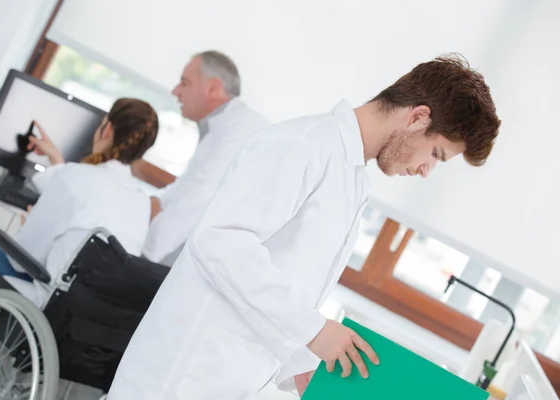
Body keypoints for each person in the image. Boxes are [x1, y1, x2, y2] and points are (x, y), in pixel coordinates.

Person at [107, 55, 501, 399]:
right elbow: (219, 240)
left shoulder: (351, 179)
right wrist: (313, 330)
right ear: (417, 118)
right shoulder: (305, 144)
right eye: (436, 154)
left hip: (224, 378)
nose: (425, 170)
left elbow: (284, 284)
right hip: (177, 377)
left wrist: (302, 367)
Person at [0, 98, 160, 307]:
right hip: (87, 316)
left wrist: (31, 226)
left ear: (107, 129)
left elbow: (22, 259)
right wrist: (56, 159)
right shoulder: (141, 203)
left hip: (45, 305)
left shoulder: (77, 176)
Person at [131, 50, 269, 266]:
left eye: (185, 83)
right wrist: (142, 206)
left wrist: (140, 256)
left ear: (212, 88)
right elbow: (185, 188)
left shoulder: (239, 131)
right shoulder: (222, 126)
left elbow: (195, 201)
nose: (176, 92)